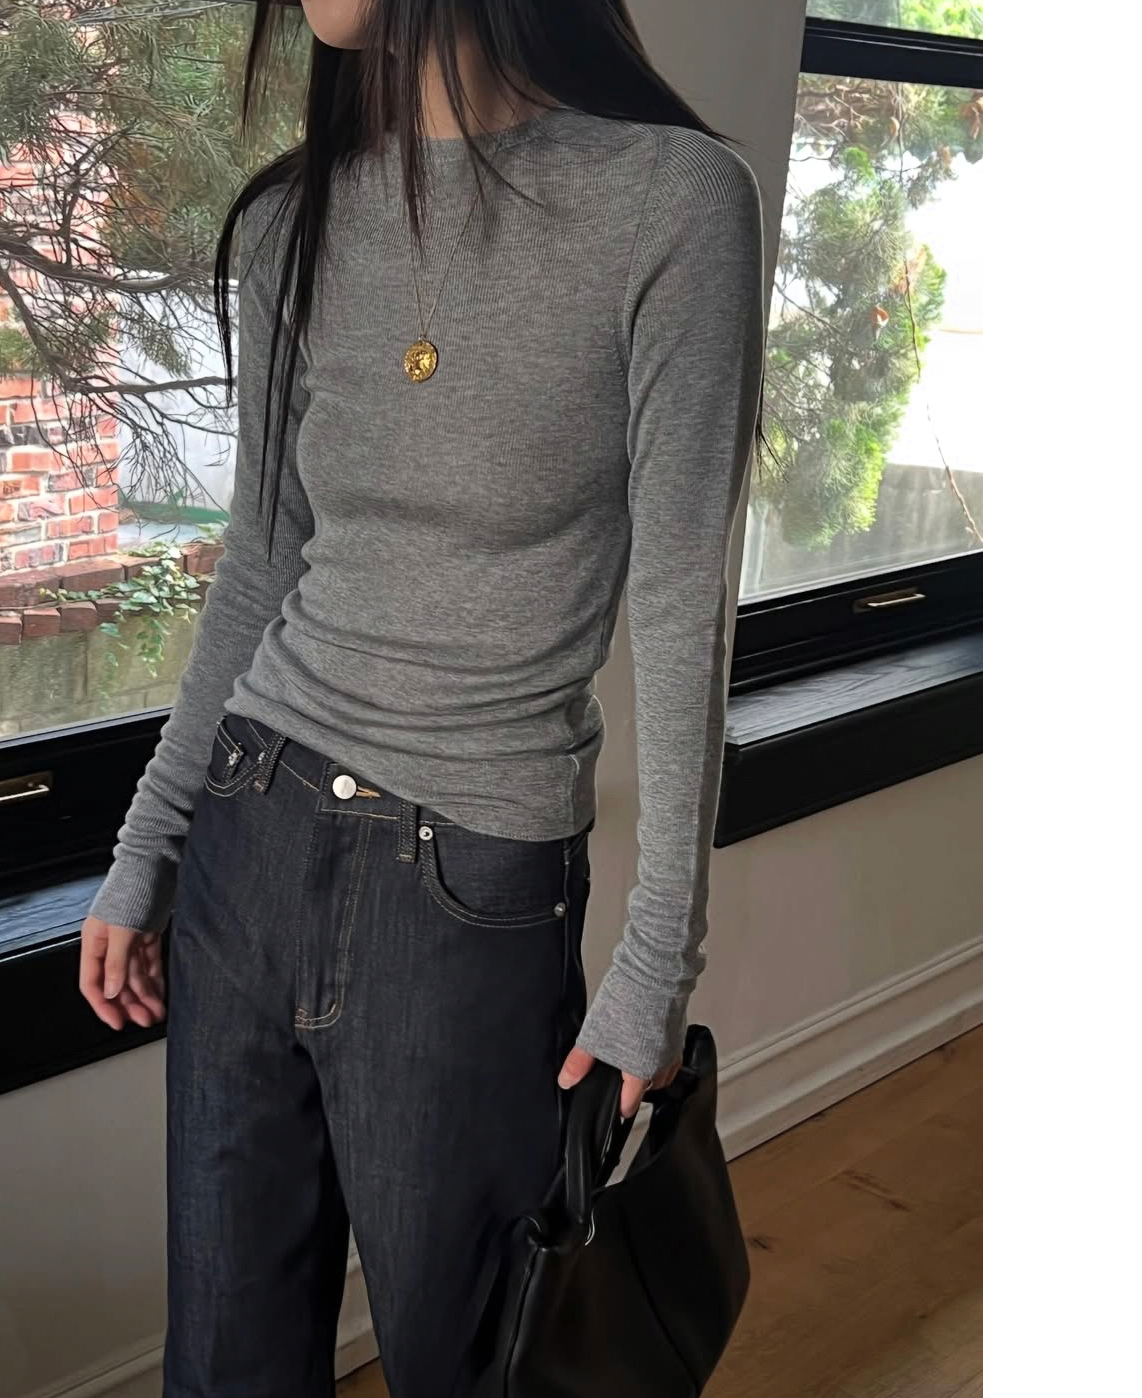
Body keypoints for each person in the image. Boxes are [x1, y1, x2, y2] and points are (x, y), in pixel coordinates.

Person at [79, 2, 766, 1394]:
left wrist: (657, 957)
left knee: (470, 1363)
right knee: (223, 1361)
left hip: (463, 885)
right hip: (248, 835)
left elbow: (683, 598)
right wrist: (146, 849)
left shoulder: (669, 199)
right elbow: (258, 562)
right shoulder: (290, 219)